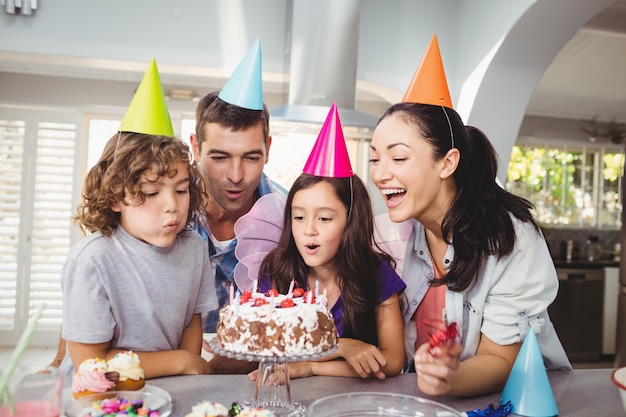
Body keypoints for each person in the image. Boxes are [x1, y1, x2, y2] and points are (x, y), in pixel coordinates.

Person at [369, 35, 570, 396]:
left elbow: (500, 359)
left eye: (398, 158)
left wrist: (450, 377)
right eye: (374, 158)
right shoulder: (390, 233)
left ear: (447, 163)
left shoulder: (511, 238)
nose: (381, 173)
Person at [61, 59, 217, 377]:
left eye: (181, 189)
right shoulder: (94, 259)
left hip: (169, 390)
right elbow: (89, 363)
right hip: (99, 396)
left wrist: (186, 371)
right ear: (117, 196)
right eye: (151, 192)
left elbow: (190, 322)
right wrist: (182, 363)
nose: (172, 205)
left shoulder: (194, 249)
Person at [250, 104, 406, 380]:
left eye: (324, 219)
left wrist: (312, 367)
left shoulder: (377, 275)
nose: (309, 230)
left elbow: (392, 361)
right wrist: (341, 347)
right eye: (299, 218)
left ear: (350, 221)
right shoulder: (276, 271)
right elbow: (269, 347)